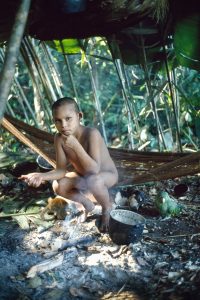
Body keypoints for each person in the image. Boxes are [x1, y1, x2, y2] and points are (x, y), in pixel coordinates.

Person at [20, 97, 118, 232]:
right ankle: (86, 204)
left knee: (93, 180)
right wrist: (40, 176)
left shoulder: (91, 134)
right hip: (84, 175)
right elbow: (60, 170)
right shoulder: (59, 138)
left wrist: (76, 145)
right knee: (58, 185)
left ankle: (106, 208)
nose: (63, 125)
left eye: (68, 118)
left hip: (106, 175)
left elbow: (94, 169)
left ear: (79, 116)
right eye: (58, 121)